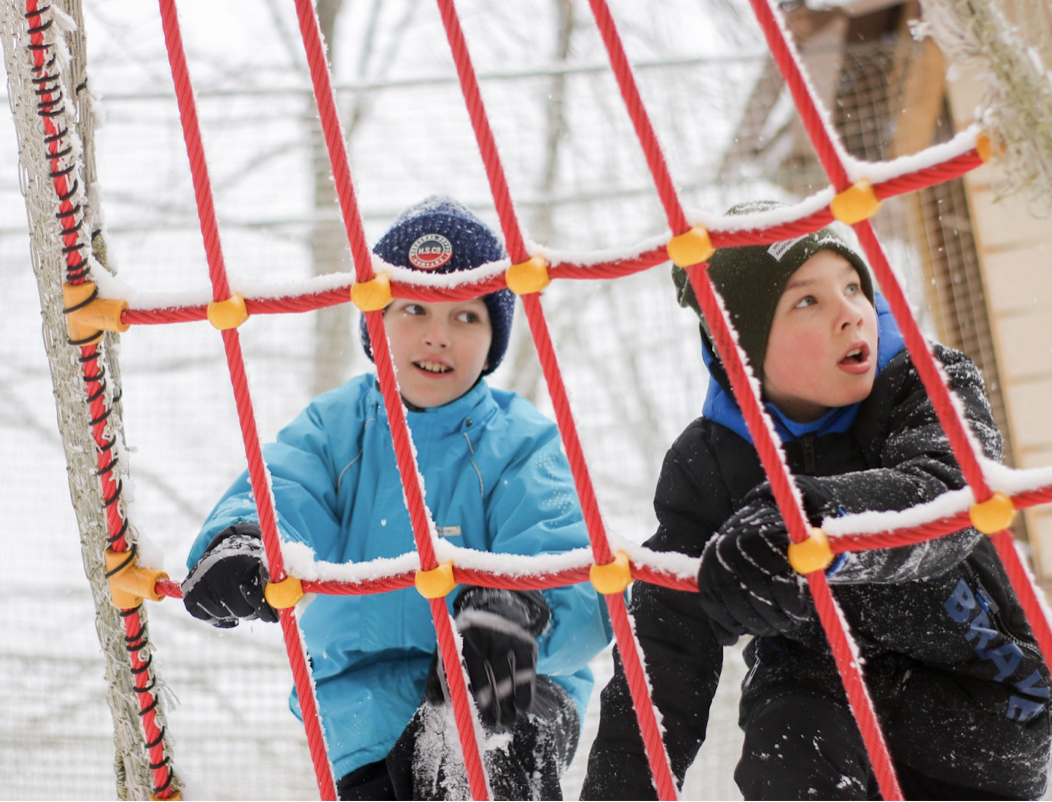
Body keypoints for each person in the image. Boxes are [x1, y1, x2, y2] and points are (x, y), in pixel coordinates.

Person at [581, 201, 1051, 800]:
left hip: (978, 698)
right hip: (820, 702)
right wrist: (622, 787)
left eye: (853, 287)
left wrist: (805, 521)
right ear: (741, 348)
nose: (851, 314)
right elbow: (669, 638)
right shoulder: (712, 463)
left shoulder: (926, 381)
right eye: (808, 300)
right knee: (783, 747)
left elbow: (948, 496)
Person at [181, 196, 611, 800]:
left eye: (466, 317)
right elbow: (284, 487)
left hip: (508, 683)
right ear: (375, 322)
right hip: (364, 711)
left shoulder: (519, 443)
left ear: (494, 342)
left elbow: (570, 561)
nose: (438, 337)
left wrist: (521, 612)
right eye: (414, 310)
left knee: (485, 750)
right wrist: (245, 540)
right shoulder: (339, 429)